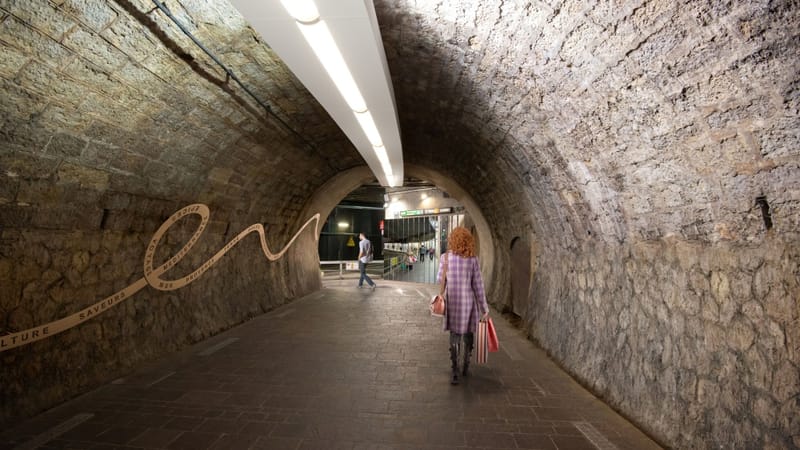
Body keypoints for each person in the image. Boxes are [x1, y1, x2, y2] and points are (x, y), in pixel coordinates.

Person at [436, 227, 489, 385]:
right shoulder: (473, 259)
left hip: (453, 303)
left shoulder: (445, 258)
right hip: (468, 304)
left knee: (454, 336)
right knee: (468, 334)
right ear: (468, 241)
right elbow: (478, 286)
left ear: (452, 240)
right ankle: (466, 364)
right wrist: (484, 308)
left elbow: (440, 280)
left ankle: (454, 369)